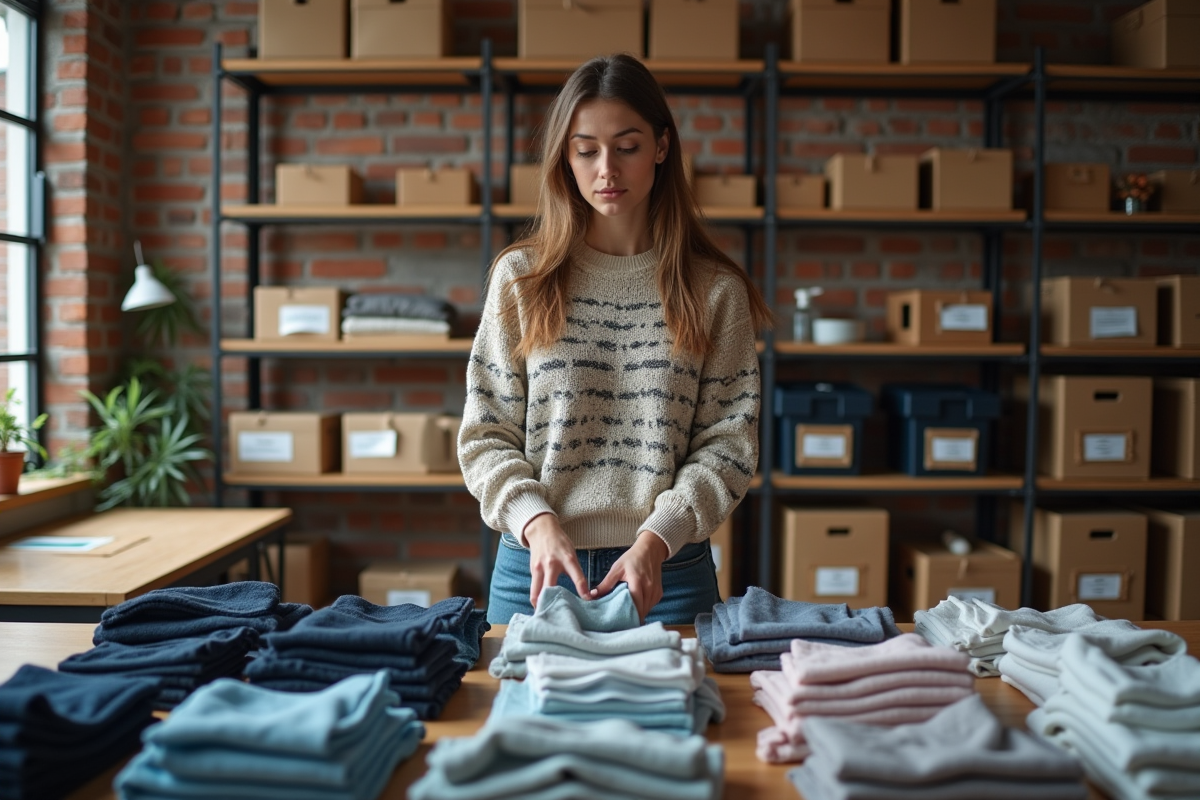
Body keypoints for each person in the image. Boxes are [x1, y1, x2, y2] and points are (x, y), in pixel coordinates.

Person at [458, 53, 772, 625]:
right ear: (564, 157)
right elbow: (485, 434)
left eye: (627, 147)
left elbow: (728, 444)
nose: (607, 169)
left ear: (661, 147)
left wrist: (658, 537)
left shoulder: (714, 291)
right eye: (586, 150)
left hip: (667, 573)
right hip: (536, 567)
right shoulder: (522, 279)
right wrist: (535, 520)